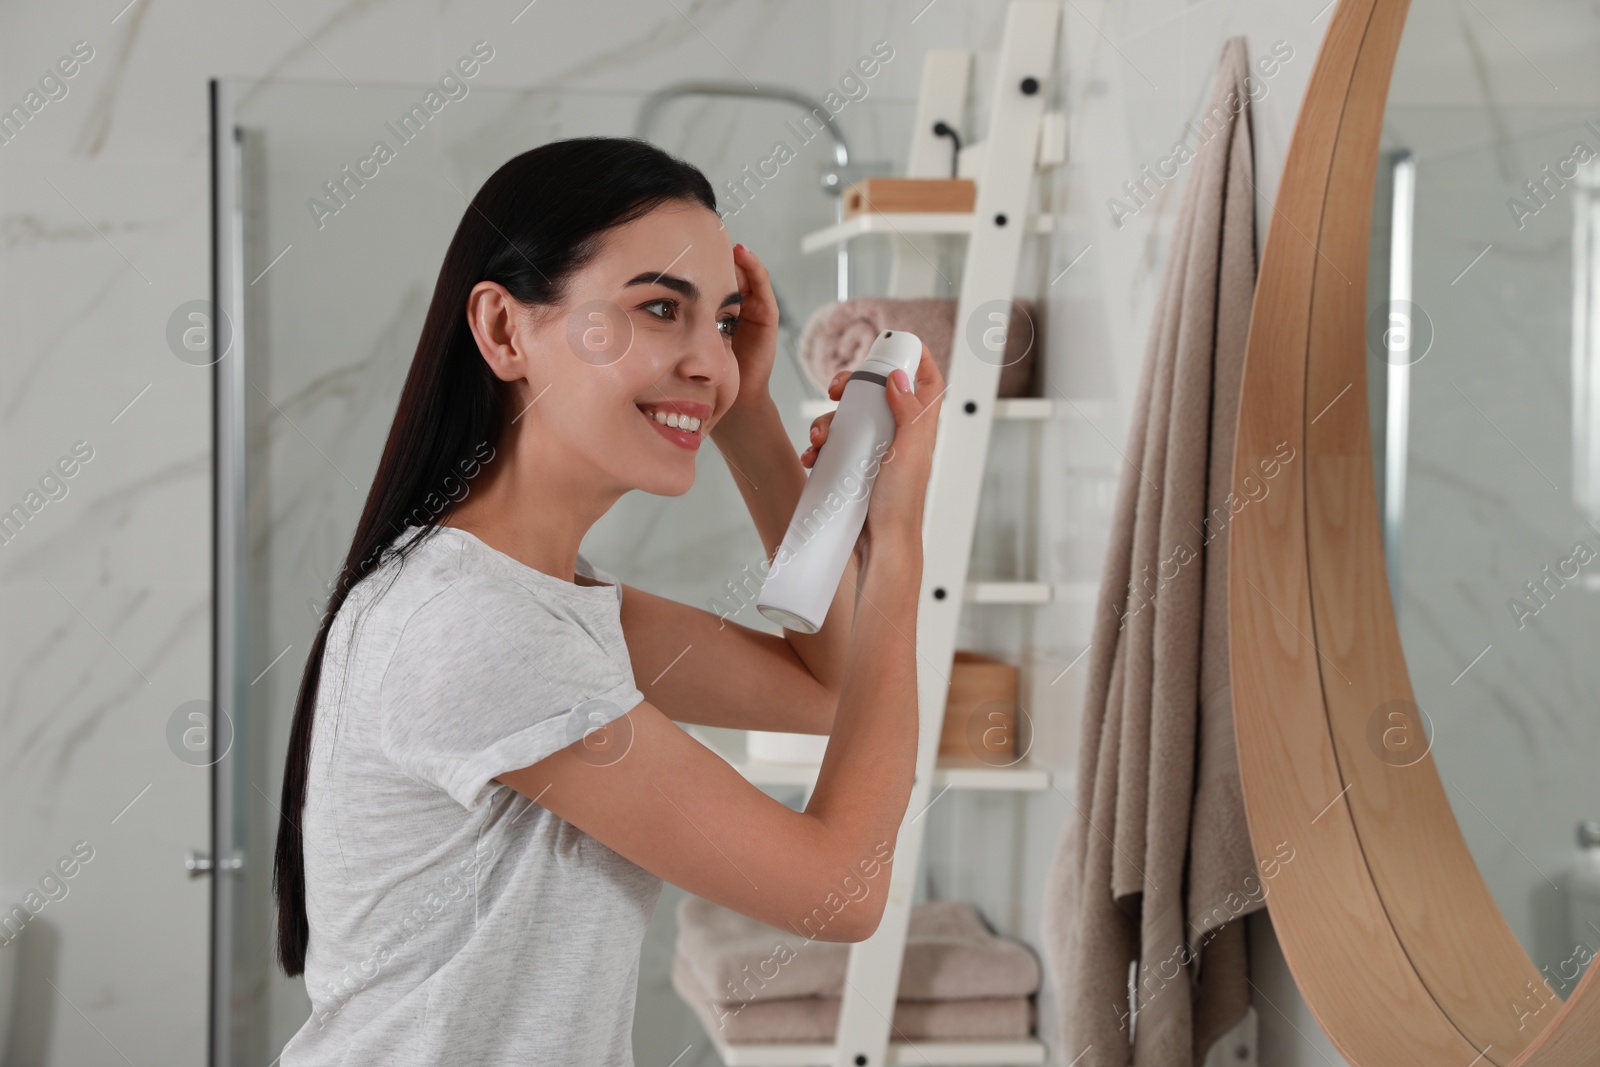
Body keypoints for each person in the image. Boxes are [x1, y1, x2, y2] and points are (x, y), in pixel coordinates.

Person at [273, 136, 943, 1066]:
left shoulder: (538, 599)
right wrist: (901, 545)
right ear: (506, 330)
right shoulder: (474, 627)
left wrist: (747, 416)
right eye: (661, 309)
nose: (709, 357)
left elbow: (827, 686)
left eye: (725, 321)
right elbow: (841, 888)